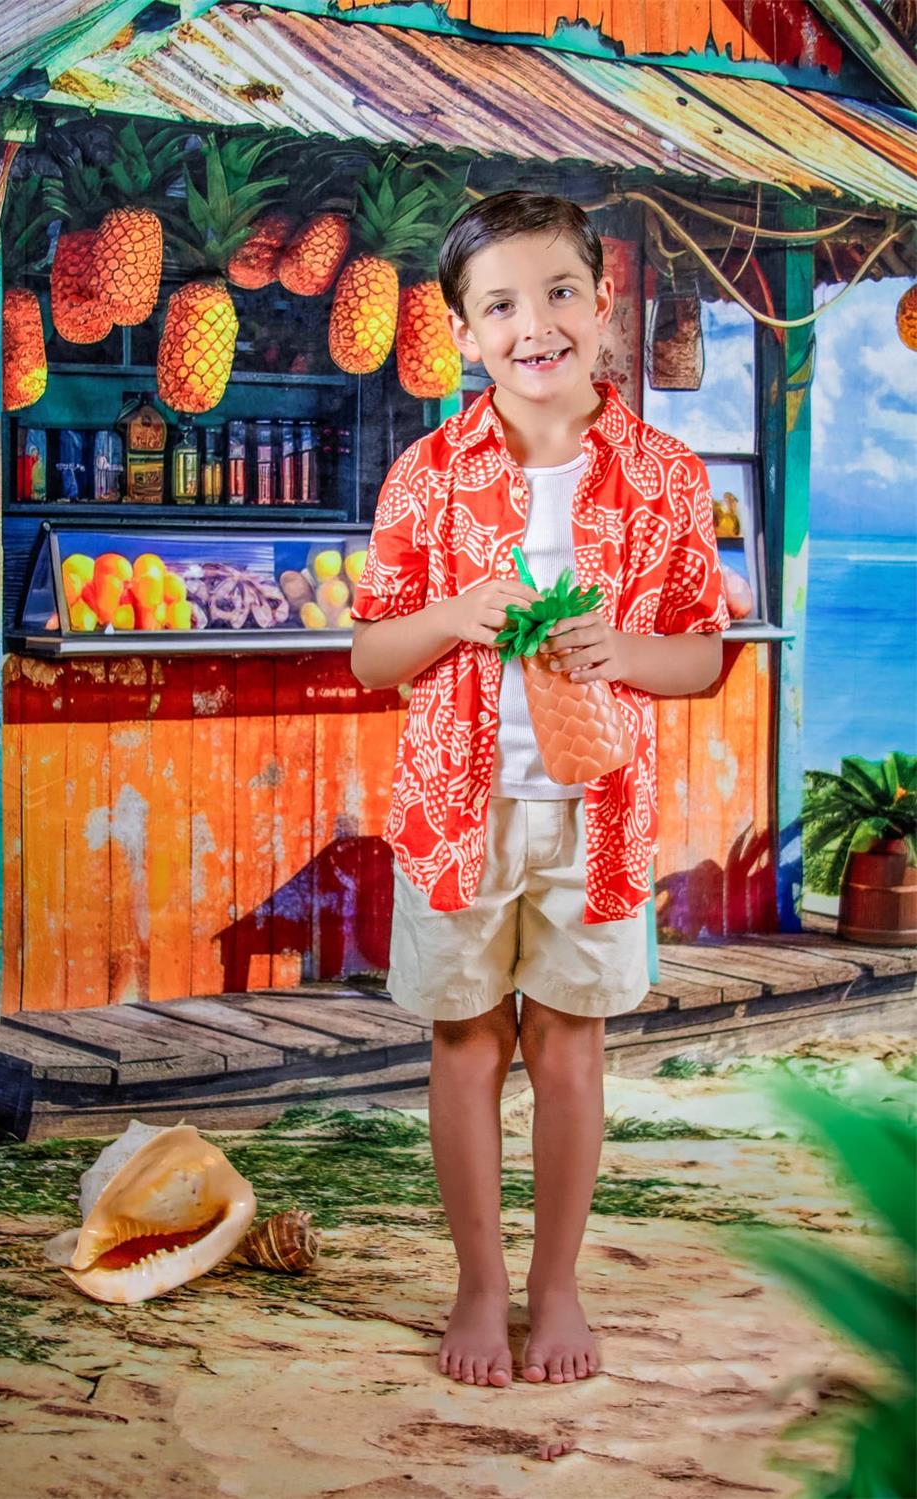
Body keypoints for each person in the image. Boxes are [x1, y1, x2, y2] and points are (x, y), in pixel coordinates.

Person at [350, 191, 729, 1392]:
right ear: (464, 331)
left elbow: (702, 653)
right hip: (452, 810)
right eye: (500, 304)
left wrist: (622, 650)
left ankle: (554, 1282)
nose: (535, 323)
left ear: (605, 303)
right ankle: (476, 1282)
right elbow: (370, 655)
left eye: (560, 292)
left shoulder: (666, 478)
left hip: (598, 816)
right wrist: (451, 617)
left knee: (568, 1049)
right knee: (464, 1043)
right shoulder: (424, 474)